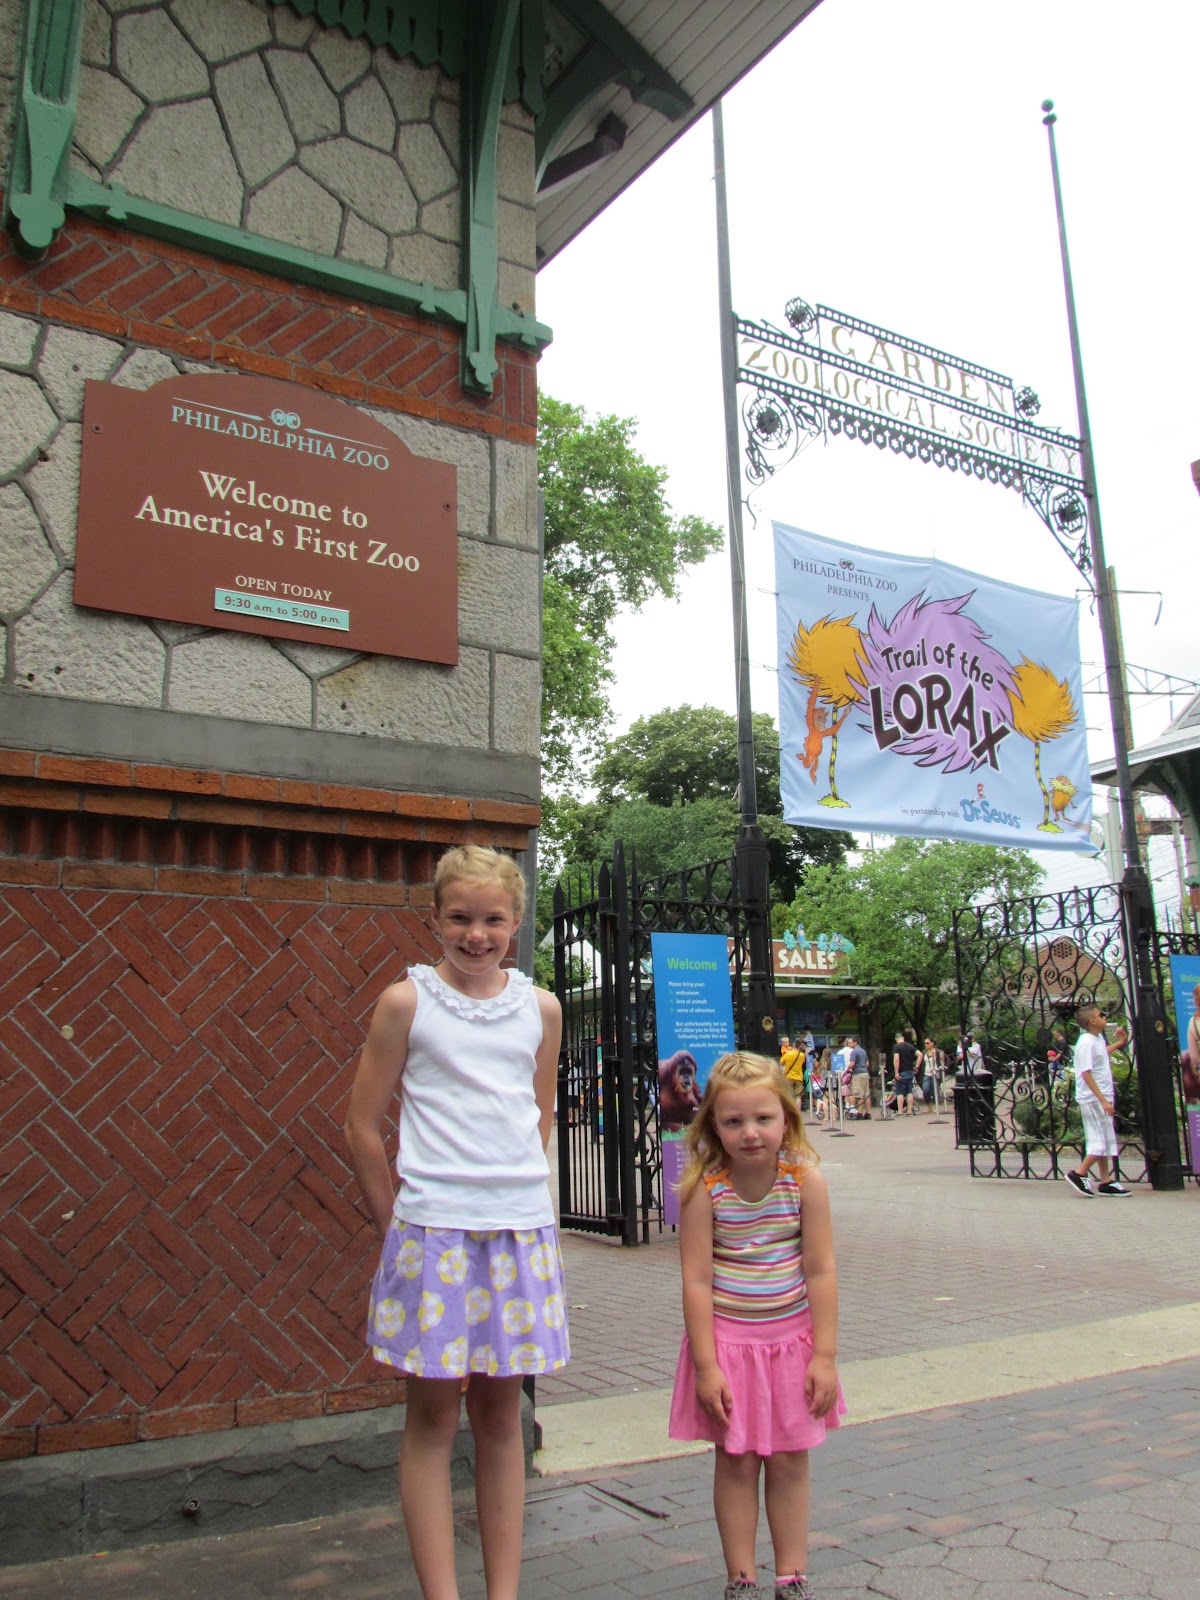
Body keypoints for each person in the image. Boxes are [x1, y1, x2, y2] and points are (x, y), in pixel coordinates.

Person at [343, 845, 568, 1599]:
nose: (477, 935)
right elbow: (361, 1124)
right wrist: (396, 1224)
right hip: (431, 1233)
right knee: (433, 1418)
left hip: (516, 1233)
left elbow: (538, 1112)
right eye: (461, 919)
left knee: (505, 1417)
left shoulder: (541, 1009)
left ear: (516, 922)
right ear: (433, 917)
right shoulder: (407, 1001)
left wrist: (506, 1192)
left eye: (493, 920)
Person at [668, 1051, 844, 1599]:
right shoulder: (705, 1188)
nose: (750, 1133)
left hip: (791, 1346)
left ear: (786, 1119)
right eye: (733, 1121)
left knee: (791, 1461)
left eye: (763, 1119)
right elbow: (696, 1280)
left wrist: (825, 1355)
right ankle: (740, 1577)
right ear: (712, 1125)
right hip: (728, 1350)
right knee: (737, 1462)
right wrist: (705, 1366)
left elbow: (820, 1269)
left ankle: (792, 1575)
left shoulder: (804, 1181)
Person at [1065, 1004, 1131, 1197]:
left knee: (1103, 1137)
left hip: (1101, 1096)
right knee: (1099, 1140)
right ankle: (1079, 1173)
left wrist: (1120, 1043)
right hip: (1093, 1098)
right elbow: (1085, 1073)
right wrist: (1102, 1100)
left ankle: (1105, 1180)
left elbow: (1101, 1054)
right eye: (1101, 1015)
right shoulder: (1086, 1042)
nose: (1105, 1017)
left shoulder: (1096, 1040)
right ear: (1092, 1021)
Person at [892, 1031, 919, 1116]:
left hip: (901, 1072)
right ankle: (909, 1111)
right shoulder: (910, 1046)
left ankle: (900, 1111)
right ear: (903, 1038)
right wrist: (916, 1067)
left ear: (896, 1039)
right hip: (910, 1071)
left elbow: (896, 1059)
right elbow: (920, 1055)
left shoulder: (896, 1047)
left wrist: (896, 1072)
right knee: (909, 1092)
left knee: (899, 1092)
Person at [847, 1036, 871, 1118]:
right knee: (866, 1094)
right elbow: (867, 1063)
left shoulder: (854, 1052)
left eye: (850, 1042)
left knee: (858, 1094)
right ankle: (868, 1113)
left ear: (855, 1042)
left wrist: (847, 1069)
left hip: (858, 1074)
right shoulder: (863, 1051)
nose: (849, 1044)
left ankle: (859, 1113)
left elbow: (852, 1064)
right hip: (865, 1073)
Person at [780, 1036, 805, 1103]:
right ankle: (797, 1111)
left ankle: (791, 1111)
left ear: (793, 1045)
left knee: (789, 1096)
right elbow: (802, 1062)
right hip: (798, 1077)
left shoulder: (787, 1054)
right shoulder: (802, 1055)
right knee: (798, 1097)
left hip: (789, 1076)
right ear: (800, 1046)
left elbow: (781, 1063)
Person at [921, 1039, 942, 1109]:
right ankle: (929, 1106)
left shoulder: (938, 1052)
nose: (926, 1045)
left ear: (932, 1043)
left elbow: (946, 1059)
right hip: (927, 1073)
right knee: (925, 1090)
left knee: (935, 1090)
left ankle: (937, 1107)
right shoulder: (924, 1052)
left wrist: (943, 1067)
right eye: (925, 1043)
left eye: (927, 1043)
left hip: (935, 1073)